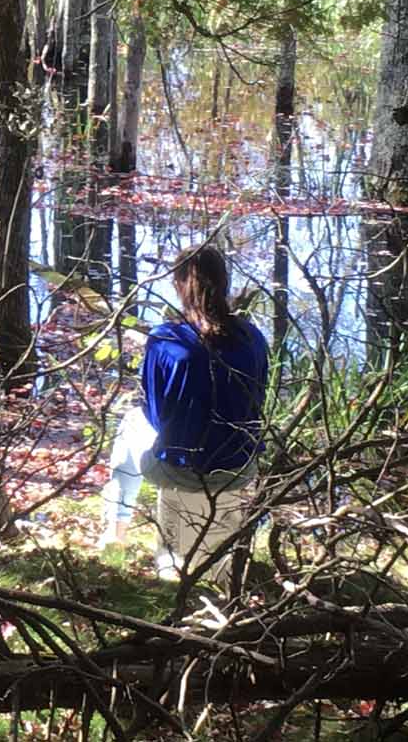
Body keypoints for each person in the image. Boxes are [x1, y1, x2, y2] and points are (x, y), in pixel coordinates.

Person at [100, 244, 269, 583]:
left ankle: (114, 532)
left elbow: (155, 414)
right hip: (238, 466)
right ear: (224, 283)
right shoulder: (253, 337)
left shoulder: (167, 339)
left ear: (178, 284)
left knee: (130, 424)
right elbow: (256, 402)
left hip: (182, 470)